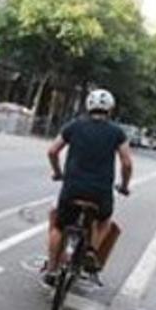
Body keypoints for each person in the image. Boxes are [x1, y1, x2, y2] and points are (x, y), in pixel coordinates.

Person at [43, 88, 133, 284]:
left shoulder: (74, 126)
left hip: (72, 188)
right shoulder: (117, 132)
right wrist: (124, 186)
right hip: (100, 193)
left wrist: (58, 173)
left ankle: (51, 270)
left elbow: (52, 151)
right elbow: (126, 163)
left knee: (58, 223)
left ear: (88, 106)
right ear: (110, 109)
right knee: (104, 221)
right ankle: (91, 250)